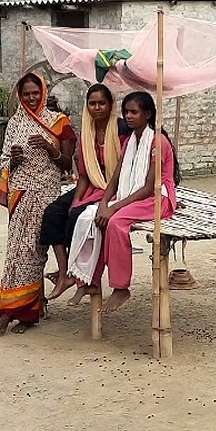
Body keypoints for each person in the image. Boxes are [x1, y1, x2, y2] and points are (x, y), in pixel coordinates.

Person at [0, 73, 76, 335]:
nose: (31, 98)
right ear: (20, 95)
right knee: (15, 251)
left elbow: (67, 163)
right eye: (26, 94)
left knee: (33, 251)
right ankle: (27, 308)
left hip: (45, 192)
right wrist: (13, 160)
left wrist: (51, 148)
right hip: (20, 192)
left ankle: (20, 312)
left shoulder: (59, 122)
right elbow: (3, 160)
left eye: (35, 93)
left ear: (43, 92)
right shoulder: (15, 123)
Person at [92, 91, 180, 314]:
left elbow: (150, 187)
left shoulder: (157, 142)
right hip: (135, 194)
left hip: (159, 198)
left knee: (116, 222)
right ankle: (87, 279)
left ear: (147, 114)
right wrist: (104, 202)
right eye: (126, 112)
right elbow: (116, 177)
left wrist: (115, 207)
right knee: (91, 217)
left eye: (134, 112)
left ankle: (121, 287)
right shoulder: (131, 141)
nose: (128, 116)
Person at [41, 84, 129, 304]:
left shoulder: (121, 130)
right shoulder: (86, 133)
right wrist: (77, 198)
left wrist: (86, 203)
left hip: (116, 188)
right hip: (92, 186)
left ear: (110, 105)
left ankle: (80, 276)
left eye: (102, 103)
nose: (97, 107)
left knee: (78, 217)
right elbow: (84, 174)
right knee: (53, 212)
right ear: (87, 106)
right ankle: (64, 273)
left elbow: (123, 171)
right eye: (92, 103)